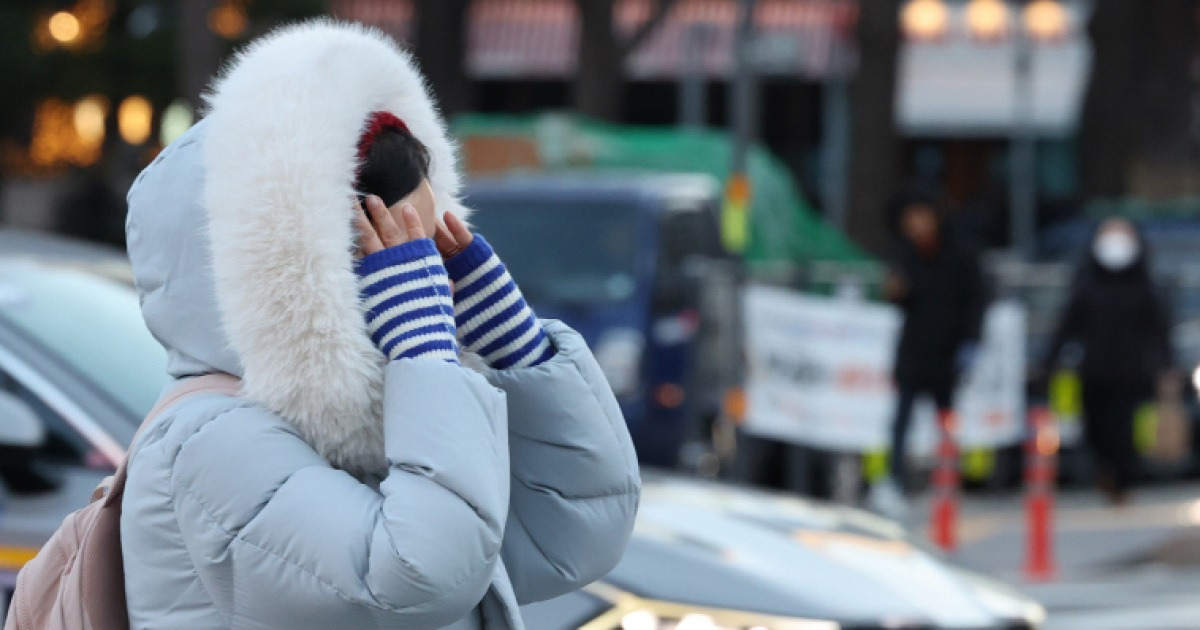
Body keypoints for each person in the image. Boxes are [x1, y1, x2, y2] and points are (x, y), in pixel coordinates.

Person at [120, 21, 639, 629]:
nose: (434, 286)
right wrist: (424, 356)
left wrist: (516, 348)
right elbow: (420, 579)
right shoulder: (211, 443)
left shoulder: (377, 428)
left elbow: (574, 533)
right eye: (400, 261)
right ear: (294, 271)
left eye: (432, 252)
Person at [1042, 218, 1174, 505]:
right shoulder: (1086, 285)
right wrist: (1050, 362)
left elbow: (1160, 331)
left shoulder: (1145, 286)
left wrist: (1167, 365)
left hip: (1133, 373)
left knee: (1125, 431)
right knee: (1095, 428)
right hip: (1094, 372)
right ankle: (1104, 472)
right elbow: (1066, 328)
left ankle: (1123, 480)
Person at [869, 191, 984, 519]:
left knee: (946, 420)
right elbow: (900, 298)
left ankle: (948, 480)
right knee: (900, 422)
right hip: (913, 352)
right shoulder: (904, 254)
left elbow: (975, 301)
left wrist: (970, 342)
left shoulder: (960, 253)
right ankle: (894, 482)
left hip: (946, 352)